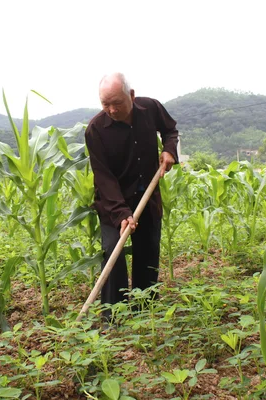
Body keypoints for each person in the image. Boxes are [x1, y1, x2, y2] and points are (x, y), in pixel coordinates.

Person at [84, 72, 179, 316]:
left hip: (147, 197)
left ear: (132, 96)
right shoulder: (96, 129)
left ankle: (145, 311)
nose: (112, 110)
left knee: (147, 252)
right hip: (113, 202)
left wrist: (169, 151)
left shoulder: (150, 108)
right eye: (106, 104)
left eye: (117, 103)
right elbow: (104, 179)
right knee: (113, 253)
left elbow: (170, 130)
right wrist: (122, 213)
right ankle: (113, 317)